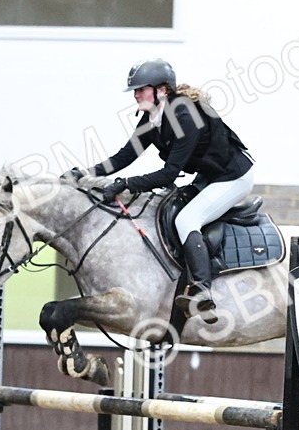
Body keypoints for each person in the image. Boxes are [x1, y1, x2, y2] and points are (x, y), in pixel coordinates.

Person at [67, 58, 253, 318]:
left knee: (187, 219)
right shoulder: (151, 117)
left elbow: (168, 174)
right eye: (135, 90)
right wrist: (86, 173)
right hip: (209, 176)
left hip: (234, 177)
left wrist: (125, 184)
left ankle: (201, 289)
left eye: (141, 89)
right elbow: (125, 156)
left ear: (162, 90)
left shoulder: (185, 114)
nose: (136, 95)